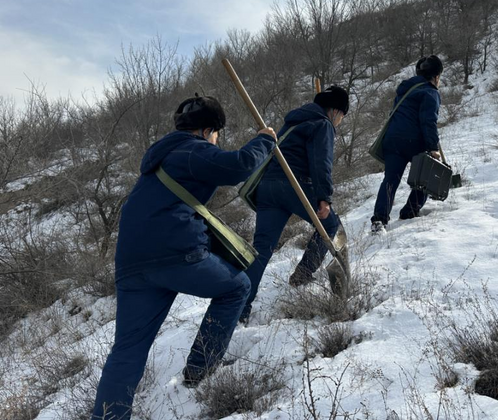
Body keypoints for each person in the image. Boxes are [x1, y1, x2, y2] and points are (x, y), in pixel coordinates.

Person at [91, 95, 277, 420]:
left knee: (128, 349)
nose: (216, 140)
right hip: (173, 253)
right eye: (216, 134)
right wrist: (265, 140)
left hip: (132, 263)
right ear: (207, 131)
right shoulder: (193, 150)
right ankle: (199, 372)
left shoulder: (159, 159)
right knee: (236, 288)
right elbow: (239, 166)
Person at [238, 86, 348, 323]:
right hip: (294, 184)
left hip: (268, 187)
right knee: (330, 225)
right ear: (336, 111)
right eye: (342, 117)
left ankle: (240, 307)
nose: (340, 122)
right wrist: (323, 198)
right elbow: (321, 163)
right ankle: (302, 274)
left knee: (261, 250)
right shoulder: (322, 124)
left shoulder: (294, 121)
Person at [370, 55, 443, 233]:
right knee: (427, 175)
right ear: (435, 77)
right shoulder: (430, 92)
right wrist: (433, 148)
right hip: (414, 142)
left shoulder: (405, 90)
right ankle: (410, 211)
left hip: (393, 140)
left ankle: (379, 221)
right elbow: (428, 122)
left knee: (390, 180)